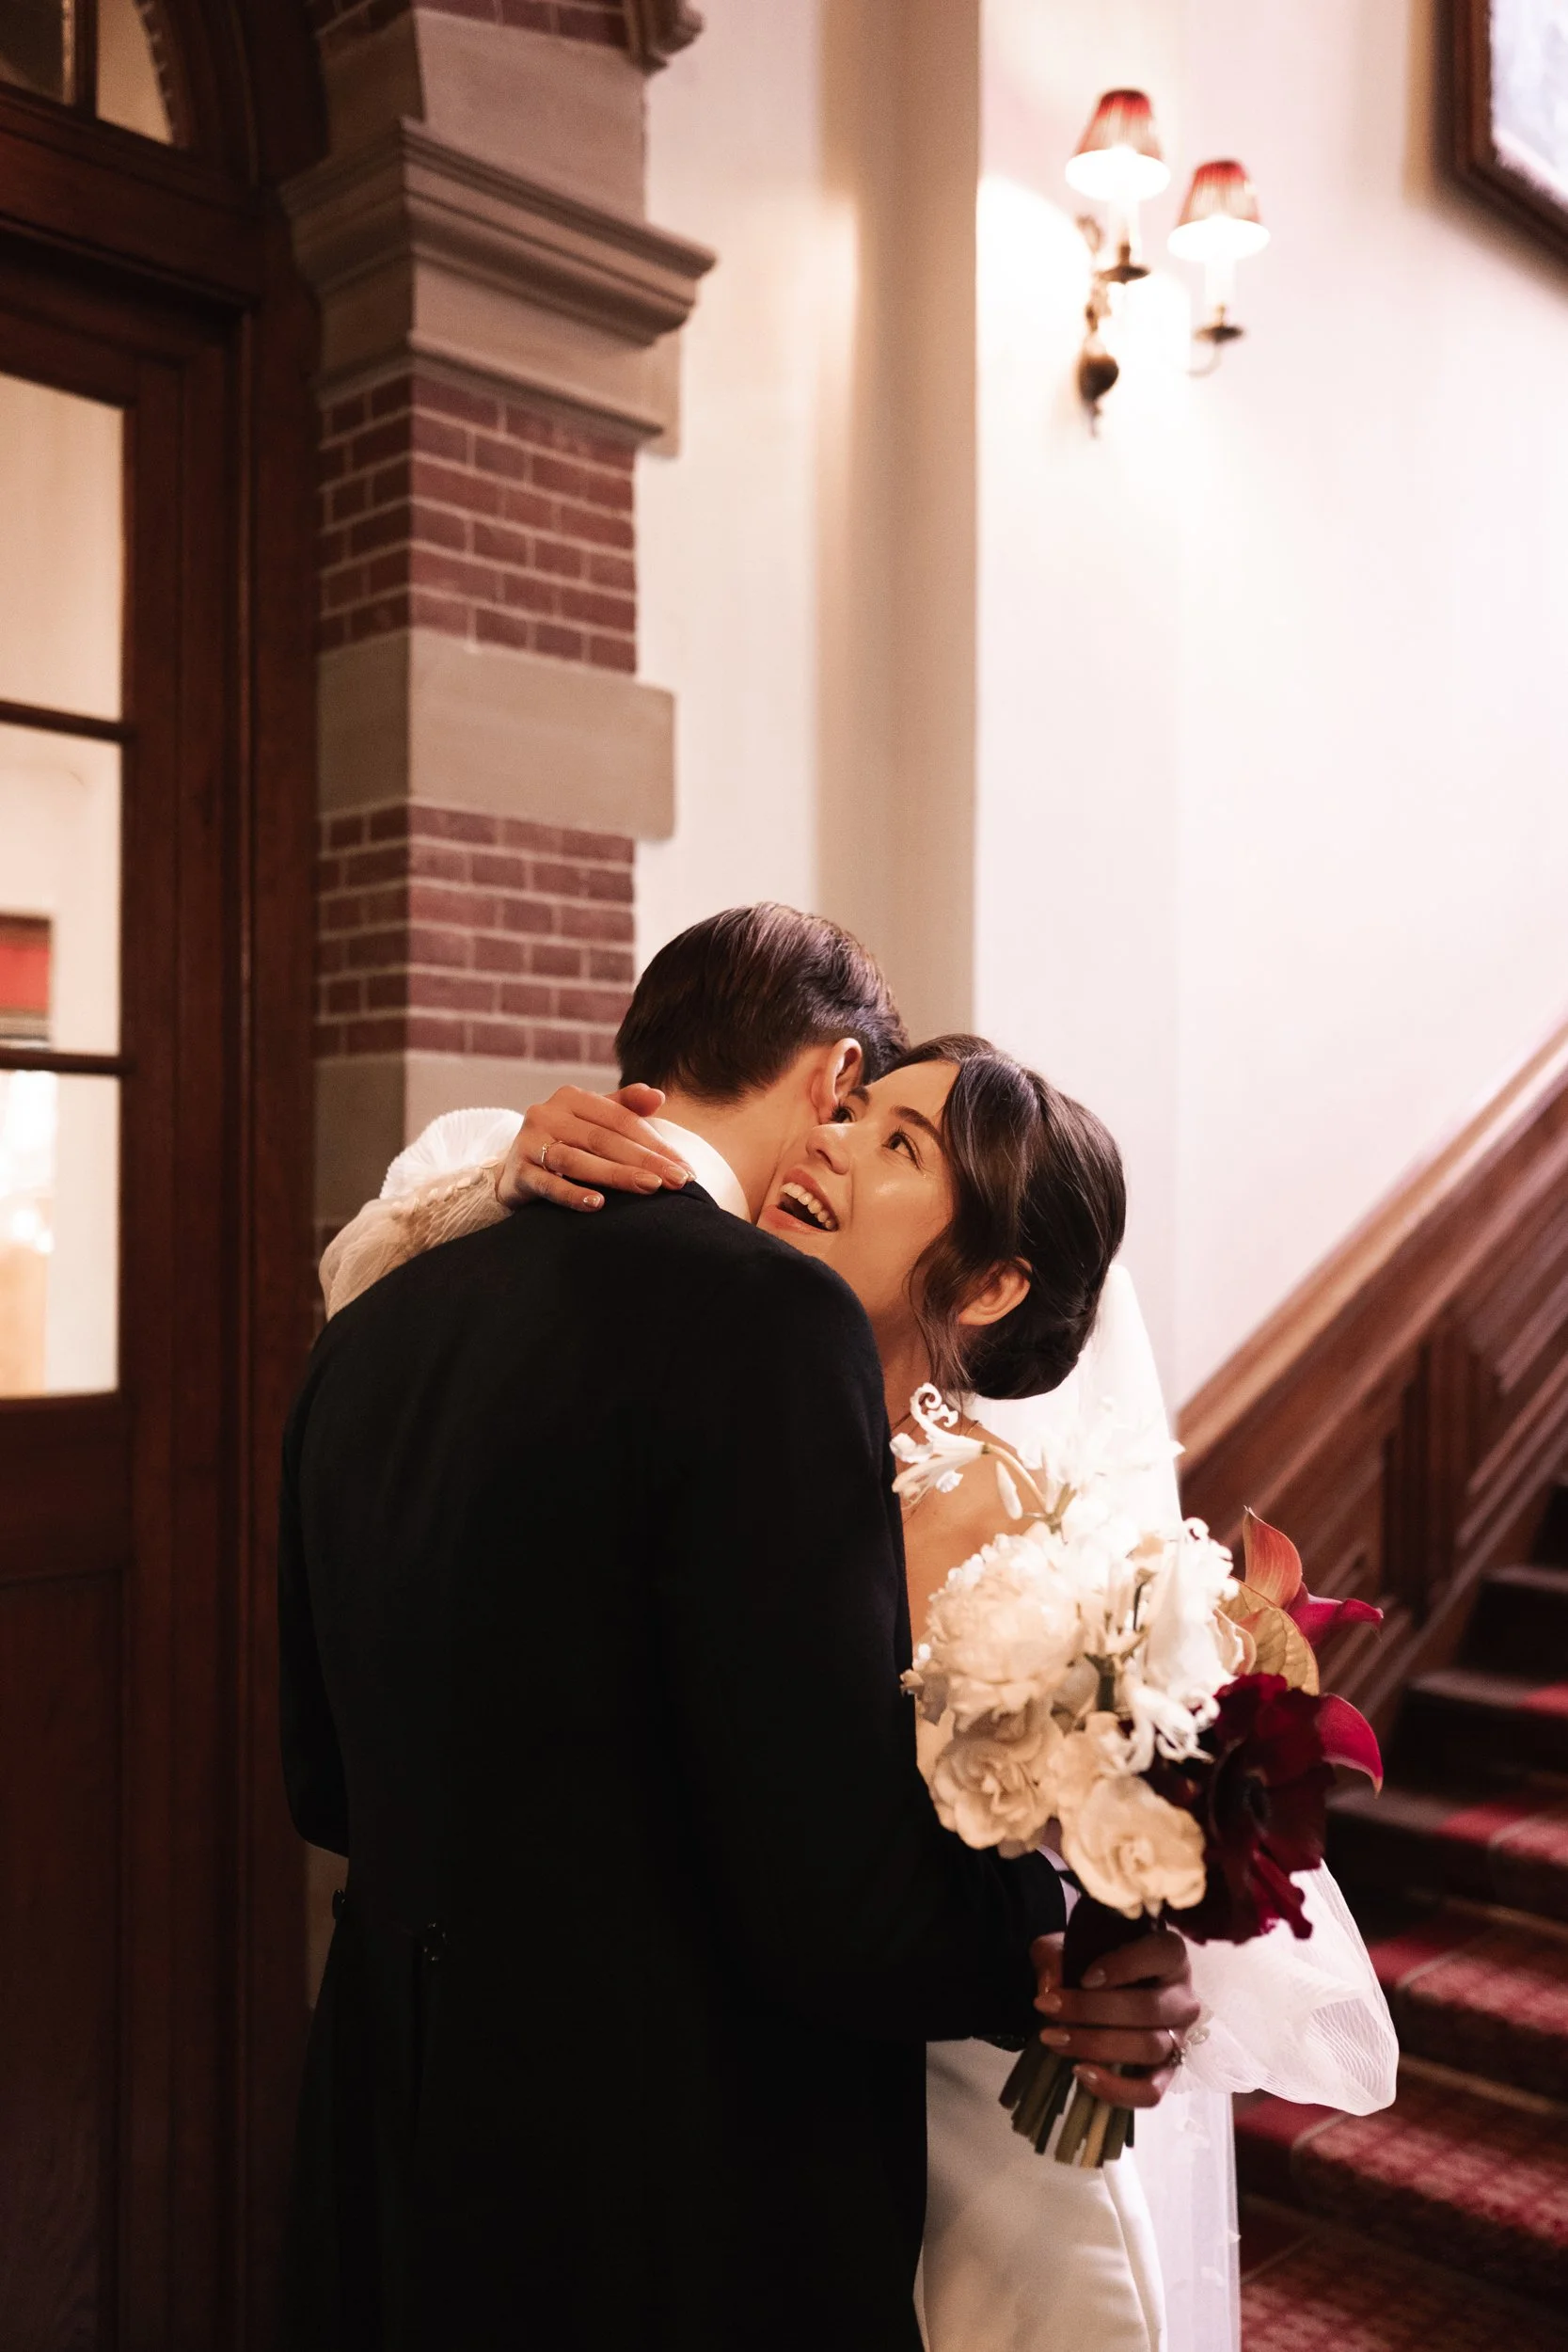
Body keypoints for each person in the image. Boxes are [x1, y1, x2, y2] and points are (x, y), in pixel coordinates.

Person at [279, 904, 1200, 2352]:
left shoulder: (387, 1308)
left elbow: (325, 1782)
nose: (837, 1149)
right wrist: (1036, 1965)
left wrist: (1095, 1950)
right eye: (862, 1117)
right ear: (827, 1077)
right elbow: (818, 1895)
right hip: (689, 2145)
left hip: (423, 2115)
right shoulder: (752, 1335)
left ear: (993, 1275)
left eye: (900, 1146)